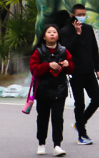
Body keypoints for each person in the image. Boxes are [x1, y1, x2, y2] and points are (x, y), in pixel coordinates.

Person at [59, 4, 99, 145]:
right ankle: (82, 135)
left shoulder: (89, 29)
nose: (82, 17)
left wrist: (97, 68)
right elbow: (66, 51)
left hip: (89, 71)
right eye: (79, 14)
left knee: (97, 99)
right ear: (72, 15)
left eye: (84, 14)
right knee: (80, 104)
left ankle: (80, 123)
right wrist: (77, 34)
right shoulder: (65, 31)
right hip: (75, 72)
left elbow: (94, 49)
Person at [30, 24, 74, 157]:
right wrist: (47, 65)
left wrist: (67, 65)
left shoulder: (63, 51)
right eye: (49, 32)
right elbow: (34, 70)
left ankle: (57, 145)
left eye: (54, 32)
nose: (52, 34)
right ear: (44, 36)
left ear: (58, 35)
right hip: (42, 90)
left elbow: (71, 68)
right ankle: (41, 144)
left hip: (59, 89)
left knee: (58, 119)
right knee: (42, 118)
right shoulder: (38, 51)